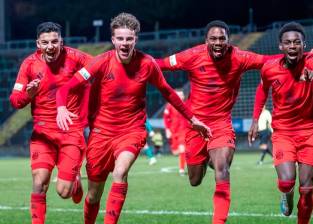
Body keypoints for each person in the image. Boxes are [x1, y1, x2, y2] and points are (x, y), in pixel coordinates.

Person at [156, 20, 313, 224]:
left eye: (222, 38)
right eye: (213, 38)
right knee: (195, 180)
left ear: (229, 41)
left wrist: (308, 56)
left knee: (224, 169)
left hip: (222, 123)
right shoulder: (192, 55)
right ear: (206, 41)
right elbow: (160, 64)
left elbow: (270, 59)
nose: (218, 42)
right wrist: (134, 59)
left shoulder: (240, 57)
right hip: (195, 124)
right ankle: (208, 158)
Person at [55, 13, 211, 224]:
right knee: (93, 195)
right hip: (100, 134)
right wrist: (61, 107)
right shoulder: (100, 62)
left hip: (132, 131)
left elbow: (168, 92)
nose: (124, 43)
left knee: (120, 172)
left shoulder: (147, 64)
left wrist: (192, 118)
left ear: (136, 39)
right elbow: (66, 88)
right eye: (120, 38)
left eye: (129, 38)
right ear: (113, 40)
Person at [9, 22, 91, 224]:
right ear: (38, 43)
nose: (50, 46)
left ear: (61, 41)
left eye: (54, 41)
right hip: (42, 133)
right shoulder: (29, 64)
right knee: (39, 182)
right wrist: (28, 94)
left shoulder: (76, 58)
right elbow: (15, 100)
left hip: (70, 130)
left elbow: (102, 67)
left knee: (63, 192)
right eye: (45, 42)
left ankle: (75, 182)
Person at [248, 22, 313, 224]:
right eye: (288, 42)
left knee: (307, 187)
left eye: (297, 42)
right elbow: (261, 91)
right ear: (280, 46)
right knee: (286, 182)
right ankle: (286, 194)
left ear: (303, 44)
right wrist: (255, 119)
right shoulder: (269, 69)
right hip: (283, 131)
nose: (293, 46)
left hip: (311, 130)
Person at [163, 88, 188, 175]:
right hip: (173, 132)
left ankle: (181, 169)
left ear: (184, 96)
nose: (180, 96)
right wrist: (167, 129)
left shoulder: (187, 105)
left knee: (182, 149)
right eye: (178, 95)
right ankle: (186, 157)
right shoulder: (169, 106)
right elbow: (166, 118)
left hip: (183, 131)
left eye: (181, 95)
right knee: (175, 152)